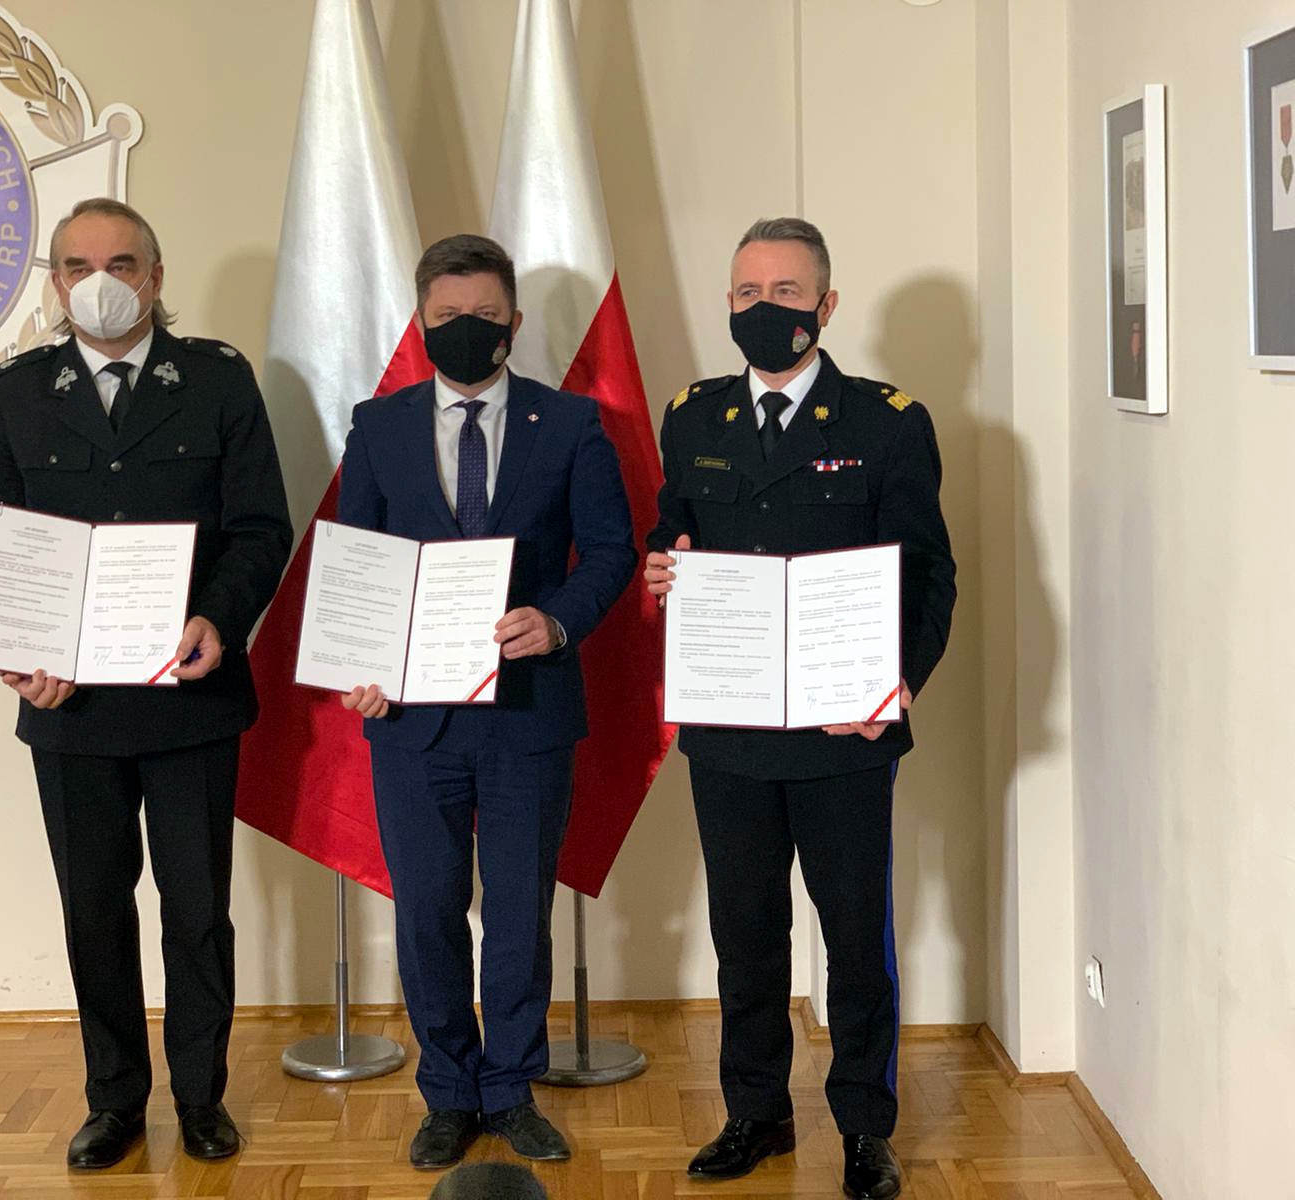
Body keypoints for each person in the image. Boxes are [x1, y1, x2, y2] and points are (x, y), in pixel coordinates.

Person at [0, 197, 292, 1169]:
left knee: (197, 914)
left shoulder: (218, 381)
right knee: (94, 913)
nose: (99, 282)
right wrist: (20, 650)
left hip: (191, 697)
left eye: (121, 263)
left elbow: (259, 529)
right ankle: (113, 1102)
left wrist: (218, 618)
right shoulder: (18, 391)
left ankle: (201, 1098)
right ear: (55, 283)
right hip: (70, 709)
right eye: (77, 265)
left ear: (155, 277)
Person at [644, 217, 956, 1199]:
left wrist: (897, 684)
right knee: (745, 934)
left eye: (784, 292)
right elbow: (673, 531)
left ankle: (864, 1126)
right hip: (730, 729)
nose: (763, 308)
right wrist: (661, 567)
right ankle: (756, 1114)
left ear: (825, 305)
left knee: (855, 937)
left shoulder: (887, 422)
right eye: (747, 293)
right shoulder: (693, 418)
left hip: (842, 732)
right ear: (727, 303)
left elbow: (930, 575)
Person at [338, 234, 636, 1170]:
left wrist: (557, 620)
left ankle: (509, 1089)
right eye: (447, 316)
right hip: (410, 720)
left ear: (513, 320)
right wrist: (361, 659)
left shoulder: (571, 423)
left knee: (518, 914)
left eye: (484, 315)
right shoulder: (378, 426)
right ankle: (448, 1092)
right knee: (426, 911)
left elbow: (613, 551)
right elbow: (358, 562)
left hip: (528, 714)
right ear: (421, 321)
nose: (466, 328)